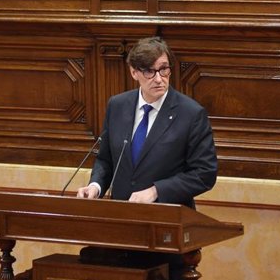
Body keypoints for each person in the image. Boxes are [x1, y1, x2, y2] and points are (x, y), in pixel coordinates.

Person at [77, 36, 217, 207]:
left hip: (167, 217)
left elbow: (205, 173)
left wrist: (156, 191)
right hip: (122, 215)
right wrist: (96, 186)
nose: (159, 79)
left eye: (163, 69)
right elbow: (106, 159)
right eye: (149, 72)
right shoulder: (117, 106)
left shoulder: (191, 113)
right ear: (134, 72)